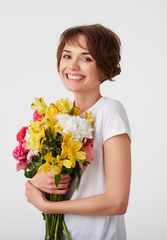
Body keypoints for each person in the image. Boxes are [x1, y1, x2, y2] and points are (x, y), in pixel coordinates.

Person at [25, 24, 131, 240]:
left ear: (104, 67)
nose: (72, 66)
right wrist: (34, 182)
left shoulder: (110, 111)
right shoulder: (57, 116)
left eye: (86, 58)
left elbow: (117, 201)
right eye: (67, 56)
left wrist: (48, 206)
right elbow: (51, 178)